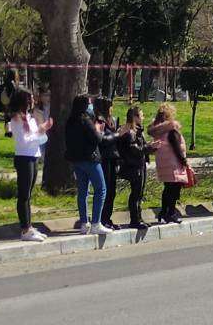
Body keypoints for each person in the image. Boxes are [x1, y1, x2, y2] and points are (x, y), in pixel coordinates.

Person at [64, 94, 113, 235]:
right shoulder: (86, 121)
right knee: (101, 189)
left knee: (82, 192)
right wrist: (98, 128)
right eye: (89, 104)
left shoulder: (70, 121)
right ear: (85, 106)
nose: (91, 106)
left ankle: (84, 222)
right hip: (90, 160)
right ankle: (96, 223)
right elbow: (97, 138)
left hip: (76, 160)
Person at [7, 90, 52, 241]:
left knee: (29, 195)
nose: (33, 100)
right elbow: (24, 140)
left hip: (33, 156)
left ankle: (29, 226)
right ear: (23, 101)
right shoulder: (17, 119)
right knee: (24, 195)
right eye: (30, 99)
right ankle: (25, 229)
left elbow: (37, 138)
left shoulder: (29, 117)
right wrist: (40, 130)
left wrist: (42, 131)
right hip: (23, 158)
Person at [148, 104, 188, 224]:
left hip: (162, 163)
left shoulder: (157, 131)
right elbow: (177, 147)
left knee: (167, 189)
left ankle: (163, 212)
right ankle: (171, 212)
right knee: (174, 190)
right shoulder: (171, 129)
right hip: (173, 163)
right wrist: (184, 161)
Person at [114, 106, 151, 228]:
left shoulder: (137, 131)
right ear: (134, 117)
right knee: (136, 193)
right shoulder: (129, 132)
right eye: (141, 115)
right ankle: (134, 220)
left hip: (139, 164)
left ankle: (139, 218)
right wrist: (149, 148)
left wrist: (150, 147)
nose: (143, 117)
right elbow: (135, 150)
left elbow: (141, 147)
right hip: (134, 165)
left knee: (139, 193)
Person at [94, 98, 122, 229]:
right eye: (110, 106)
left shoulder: (113, 120)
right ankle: (102, 218)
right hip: (104, 158)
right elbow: (103, 140)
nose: (112, 109)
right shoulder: (99, 121)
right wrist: (117, 134)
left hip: (113, 157)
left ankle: (108, 217)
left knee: (112, 191)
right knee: (106, 190)